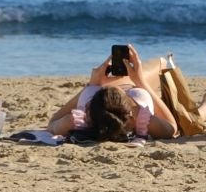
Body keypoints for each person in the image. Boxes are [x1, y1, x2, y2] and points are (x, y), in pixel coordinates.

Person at [45, 45, 177, 141]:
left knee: (158, 65)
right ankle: (164, 63)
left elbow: (52, 123)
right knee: (161, 63)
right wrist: (141, 81)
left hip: (119, 94)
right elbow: (172, 127)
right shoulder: (138, 116)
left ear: (89, 107)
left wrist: (92, 85)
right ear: (130, 107)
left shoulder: (80, 120)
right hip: (135, 85)